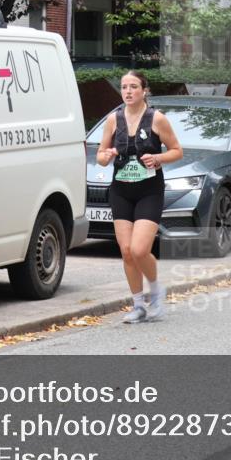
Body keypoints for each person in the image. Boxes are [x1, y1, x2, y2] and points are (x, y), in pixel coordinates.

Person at [97, 71, 183, 322]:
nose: (128, 91)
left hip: (149, 189)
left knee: (139, 249)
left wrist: (158, 158)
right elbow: (101, 157)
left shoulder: (156, 119)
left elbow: (177, 151)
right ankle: (138, 305)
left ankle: (155, 288)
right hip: (121, 189)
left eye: (133, 86)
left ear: (144, 90)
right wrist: (108, 155)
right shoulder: (113, 120)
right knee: (126, 251)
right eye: (124, 87)